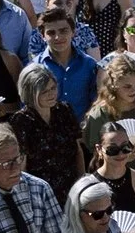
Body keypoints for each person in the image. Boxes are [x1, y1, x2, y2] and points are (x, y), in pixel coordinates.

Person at [9, 62, 88, 201]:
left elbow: (77, 150)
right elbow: (23, 164)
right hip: (41, 194)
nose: (51, 94)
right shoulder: (21, 121)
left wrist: (82, 182)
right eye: (44, 91)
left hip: (72, 188)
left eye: (53, 88)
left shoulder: (64, 110)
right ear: (31, 92)